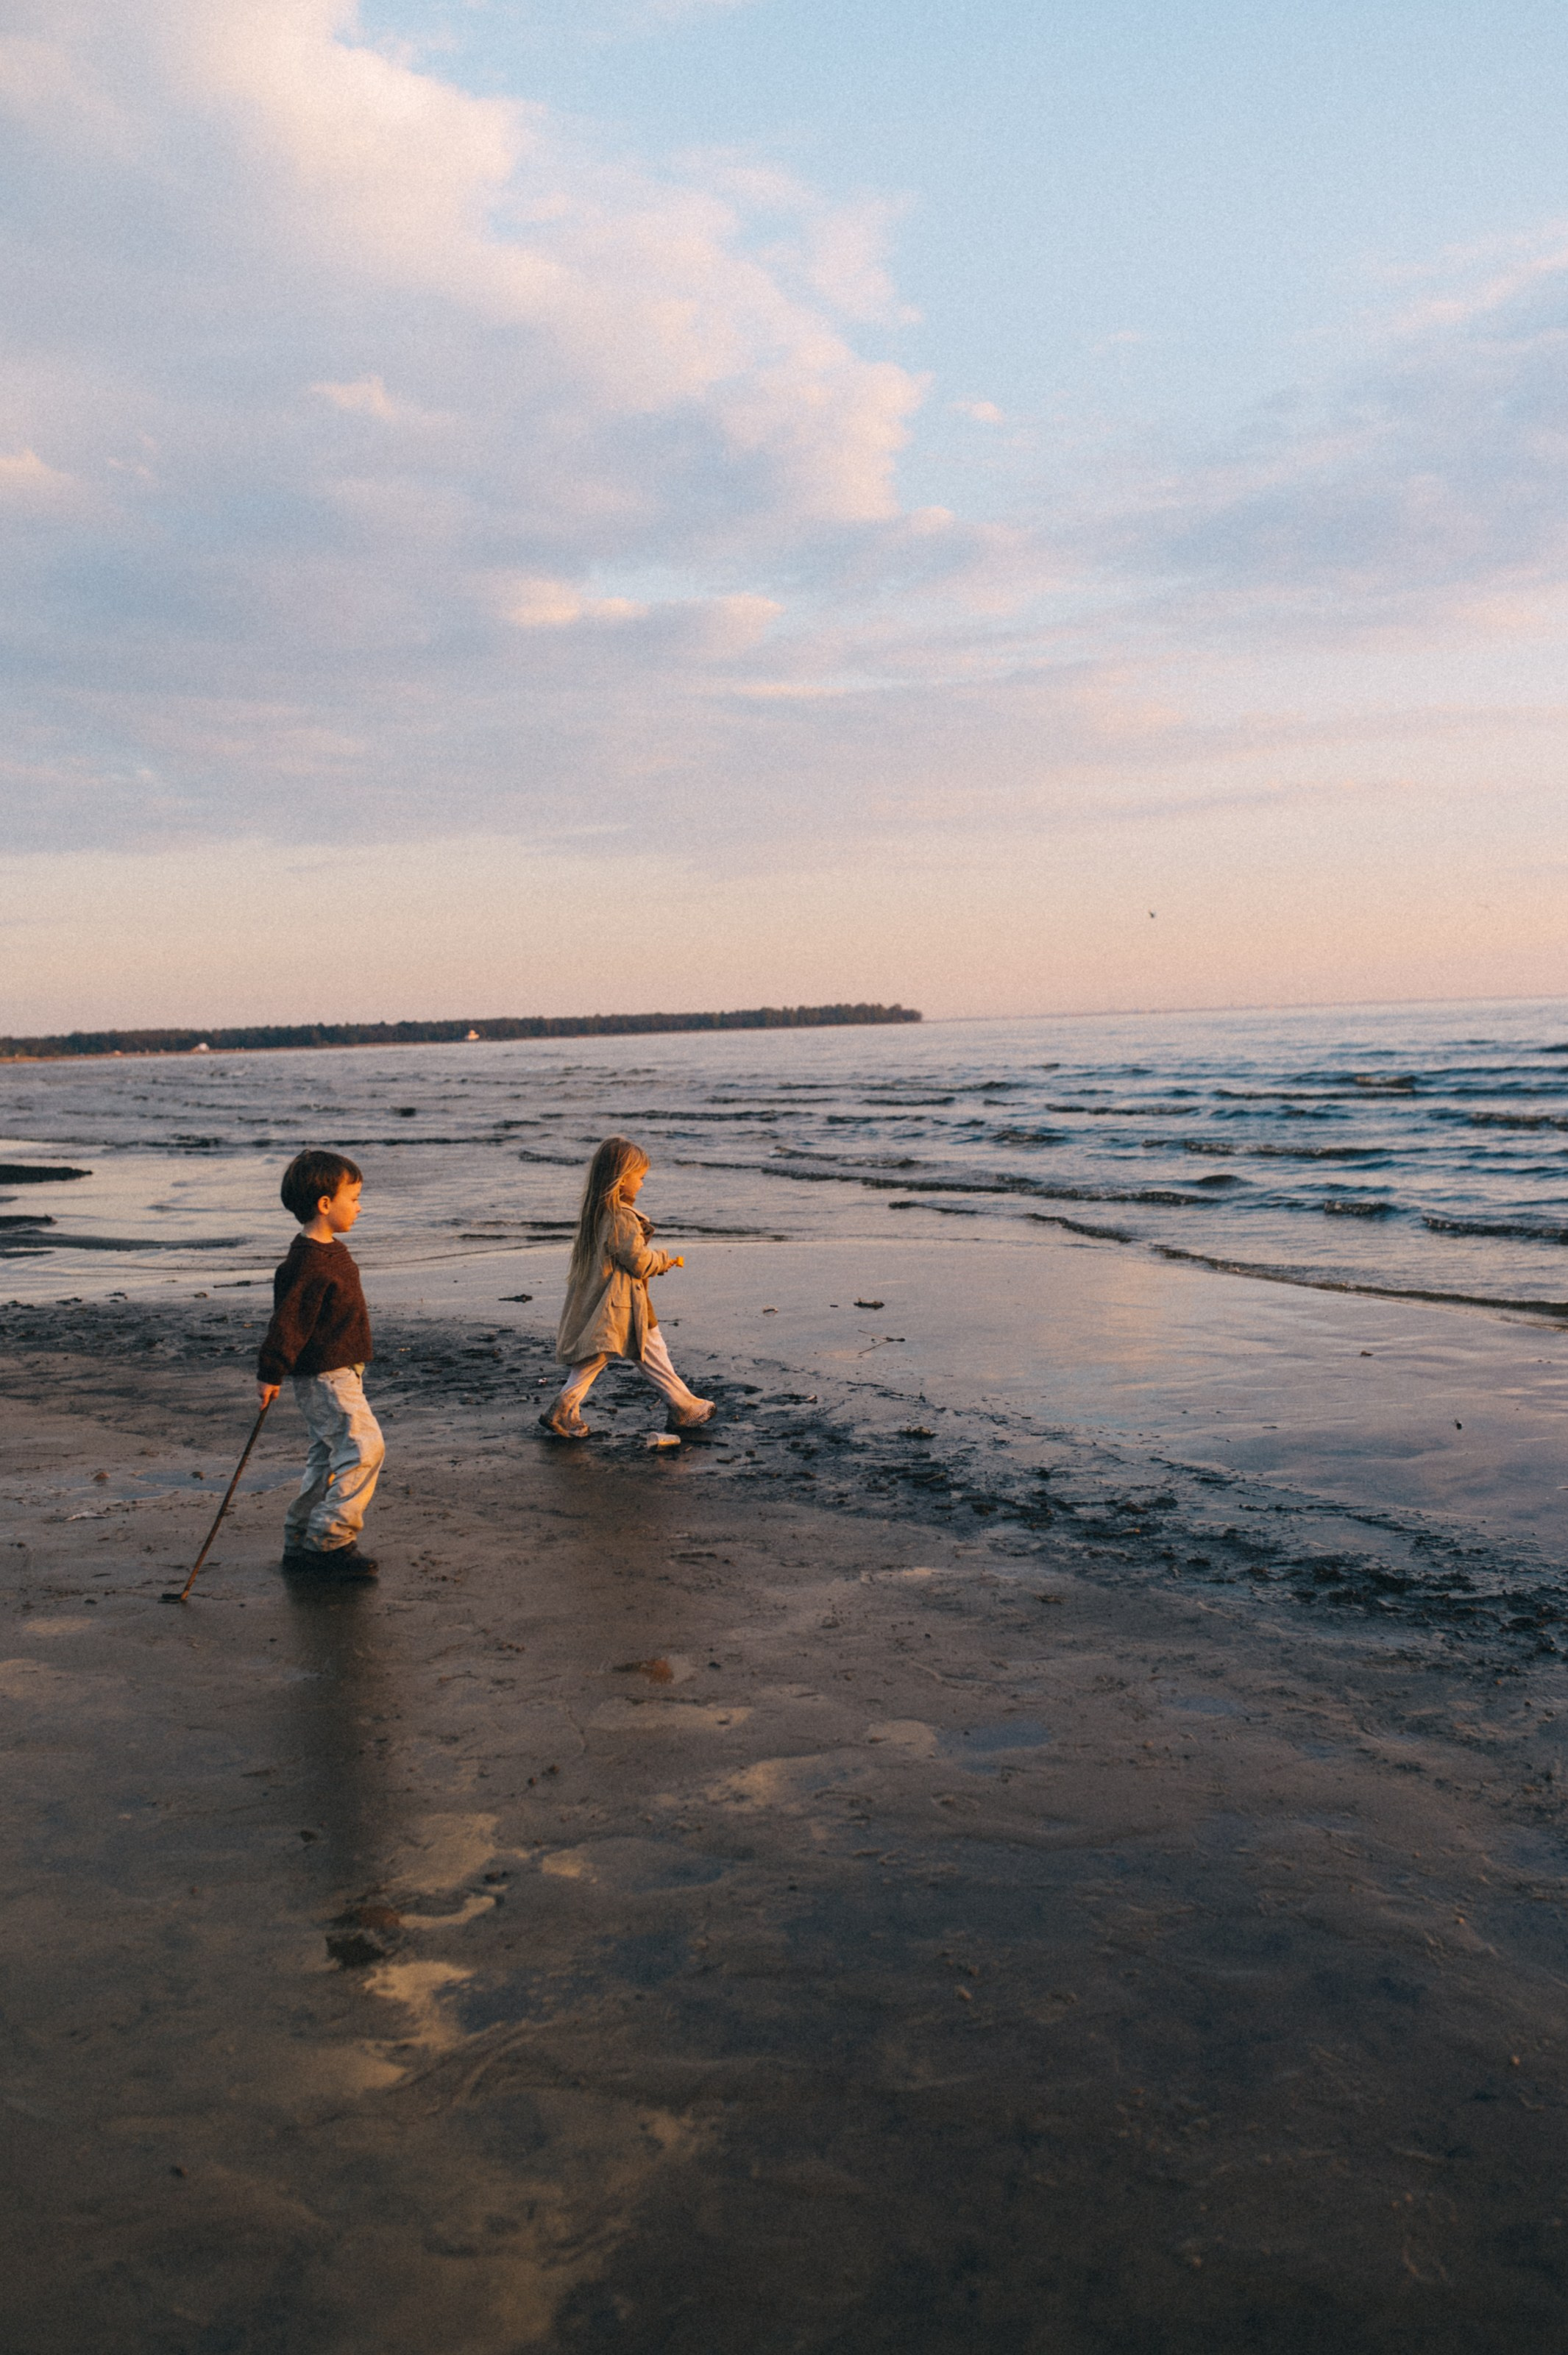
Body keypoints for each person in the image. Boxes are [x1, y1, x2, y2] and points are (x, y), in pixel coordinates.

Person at [256, 1148, 384, 1576]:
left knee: (329, 1457)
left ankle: (301, 1538)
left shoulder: (331, 1251)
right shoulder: (307, 1262)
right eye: (354, 1198)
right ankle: (329, 1541)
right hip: (325, 1377)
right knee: (364, 1450)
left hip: (342, 1372)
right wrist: (271, 1370)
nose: (360, 1207)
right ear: (325, 1204)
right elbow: (288, 1323)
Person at [541, 1135, 715, 1440]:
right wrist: (663, 1260)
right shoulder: (620, 1217)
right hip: (620, 1304)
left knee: (649, 1349)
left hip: (628, 1300)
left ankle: (684, 1405)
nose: (643, 1185)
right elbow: (638, 1261)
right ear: (621, 1181)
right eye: (641, 1178)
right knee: (608, 1355)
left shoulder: (601, 1213)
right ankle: (563, 1410)